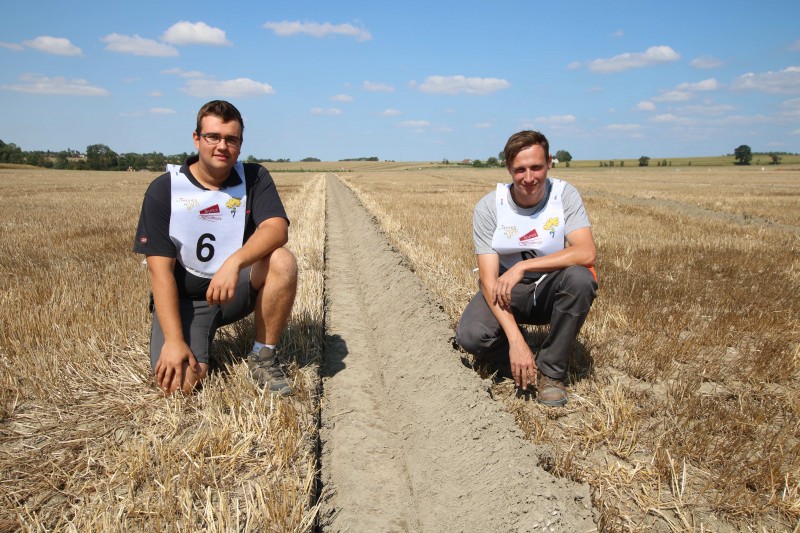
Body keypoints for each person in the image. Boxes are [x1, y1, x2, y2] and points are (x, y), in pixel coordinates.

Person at [133, 100, 297, 396]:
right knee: (181, 384)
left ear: (240, 144)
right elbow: (160, 274)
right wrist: (173, 340)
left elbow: (277, 229)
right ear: (197, 139)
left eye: (231, 139)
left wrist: (233, 264)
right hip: (186, 299)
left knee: (282, 261)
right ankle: (190, 339)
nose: (222, 146)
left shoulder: (254, 178)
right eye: (213, 137)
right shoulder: (165, 189)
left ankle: (263, 357)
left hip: (234, 289)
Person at [455, 130, 597, 406]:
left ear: (549, 164)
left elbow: (586, 251)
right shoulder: (489, 207)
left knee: (581, 279)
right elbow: (487, 281)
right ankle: (520, 360)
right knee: (471, 336)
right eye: (520, 169)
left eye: (536, 167)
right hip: (506, 292)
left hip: (550, 288)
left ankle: (552, 371)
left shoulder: (564, 195)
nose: (529, 178)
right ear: (508, 168)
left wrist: (523, 267)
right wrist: (516, 341)